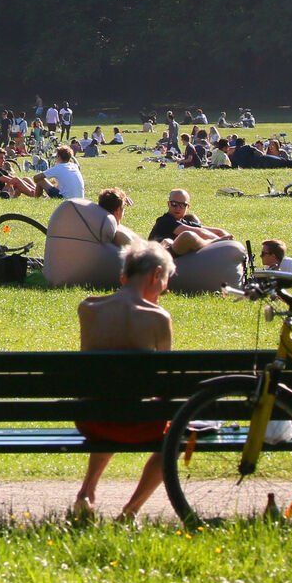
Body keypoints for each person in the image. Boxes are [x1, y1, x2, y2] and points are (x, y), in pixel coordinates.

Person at [72, 240, 176, 521]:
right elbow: (165, 382)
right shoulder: (158, 318)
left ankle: (86, 492)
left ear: (124, 275)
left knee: (111, 403)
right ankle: (130, 512)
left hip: (92, 418)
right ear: (156, 274)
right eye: (165, 281)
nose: (164, 290)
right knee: (173, 435)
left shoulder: (89, 308)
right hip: (142, 424)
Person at [147, 189, 231, 259]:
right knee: (187, 236)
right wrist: (218, 241)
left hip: (177, 259)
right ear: (168, 204)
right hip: (158, 258)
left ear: (188, 207)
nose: (178, 208)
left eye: (182, 205)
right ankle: (211, 243)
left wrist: (229, 240)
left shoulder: (183, 222)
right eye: (174, 204)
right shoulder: (165, 221)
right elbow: (199, 232)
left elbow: (215, 231)